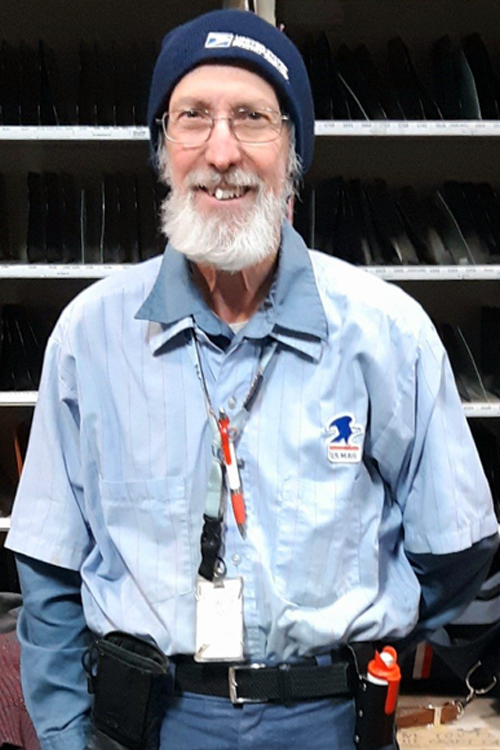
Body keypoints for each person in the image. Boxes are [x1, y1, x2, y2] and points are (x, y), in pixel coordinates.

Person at [5, 9, 499, 750]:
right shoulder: (91, 338)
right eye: (193, 117)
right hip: (149, 725)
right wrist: (73, 740)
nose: (222, 150)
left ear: (292, 151)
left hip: (332, 721)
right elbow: (48, 578)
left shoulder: (386, 331)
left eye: (253, 118)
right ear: (160, 147)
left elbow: (457, 560)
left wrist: (354, 640)